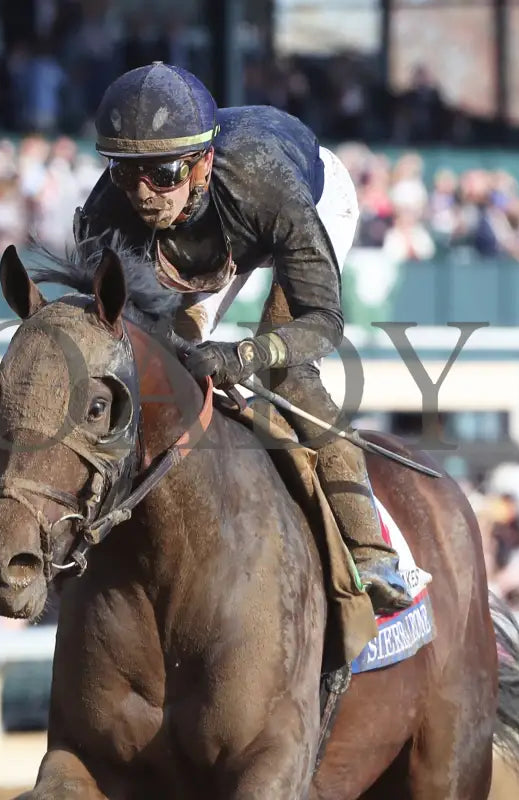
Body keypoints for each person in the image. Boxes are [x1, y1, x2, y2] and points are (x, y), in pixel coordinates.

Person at [73, 62, 412, 615]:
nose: (142, 194)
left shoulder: (266, 185)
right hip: (212, 227)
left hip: (305, 194)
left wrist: (245, 355)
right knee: (164, 347)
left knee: (288, 374)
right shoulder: (105, 216)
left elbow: (322, 324)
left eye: (161, 174)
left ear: (202, 161)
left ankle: (370, 551)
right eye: (125, 172)